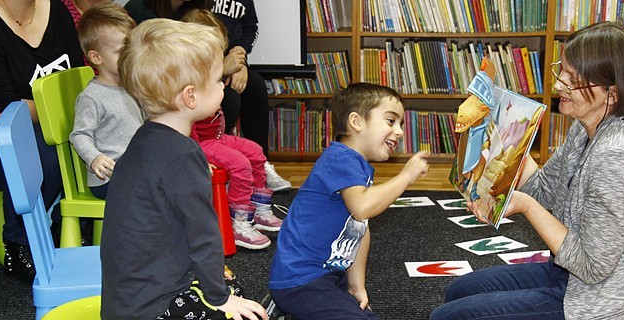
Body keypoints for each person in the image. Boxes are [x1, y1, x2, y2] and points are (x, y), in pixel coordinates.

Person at [431, 22, 624, 320]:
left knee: (449, 317)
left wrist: (525, 206)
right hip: (574, 275)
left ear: (612, 92)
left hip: (615, 302)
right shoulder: (586, 126)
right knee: (458, 292)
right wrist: (509, 138)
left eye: (573, 80)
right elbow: (542, 190)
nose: (558, 86)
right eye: (562, 71)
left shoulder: (620, 155)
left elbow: (590, 266)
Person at [100, 18, 267, 320]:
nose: (222, 85)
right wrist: (219, 298)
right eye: (218, 80)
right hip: (153, 308)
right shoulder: (184, 156)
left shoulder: (143, 139)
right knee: (240, 308)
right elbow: (204, 234)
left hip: (125, 299)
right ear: (190, 96)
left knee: (231, 285)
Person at [268, 83, 430, 319]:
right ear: (356, 122)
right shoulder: (341, 158)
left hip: (325, 277)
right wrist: (405, 176)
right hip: (300, 281)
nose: (400, 131)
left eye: (401, 124)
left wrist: (356, 286)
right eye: (390, 121)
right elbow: (362, 207)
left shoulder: (356, 164)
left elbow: (359, 228)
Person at [0, 0, 84, 282]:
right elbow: (2, 110)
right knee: (40, 142)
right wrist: (18, 109)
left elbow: (76, 89)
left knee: (68, 133)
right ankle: (20, 242)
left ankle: (54, 226)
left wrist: (22, 108)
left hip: (30, 126)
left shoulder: (57, 9)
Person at [123, 0, 292, 192]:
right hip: (185, 78)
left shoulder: (201, 9)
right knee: (229, 99)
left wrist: (239, 61)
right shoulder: (144, 12)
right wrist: (221, 71)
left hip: (213, 71)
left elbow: (249, 27)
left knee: (255, 87)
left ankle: (260, 171)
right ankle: (229, 174)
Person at [182, 8, 282, 250]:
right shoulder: (187, 80)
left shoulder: (209, 75)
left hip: (218, 137)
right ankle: (239, 220)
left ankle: (258, 207)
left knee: (256, 152)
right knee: (240, 164)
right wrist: (197, 156)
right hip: (202, 144)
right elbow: (187, 126)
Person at [69, 2, 144, 200]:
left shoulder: (131, 87)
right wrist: (95, 158)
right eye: (121, 52)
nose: (130, 56)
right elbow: (79, 135)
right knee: (157, 190)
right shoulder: (92, 97)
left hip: (135, 170)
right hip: (109, 177)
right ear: (96, 57)